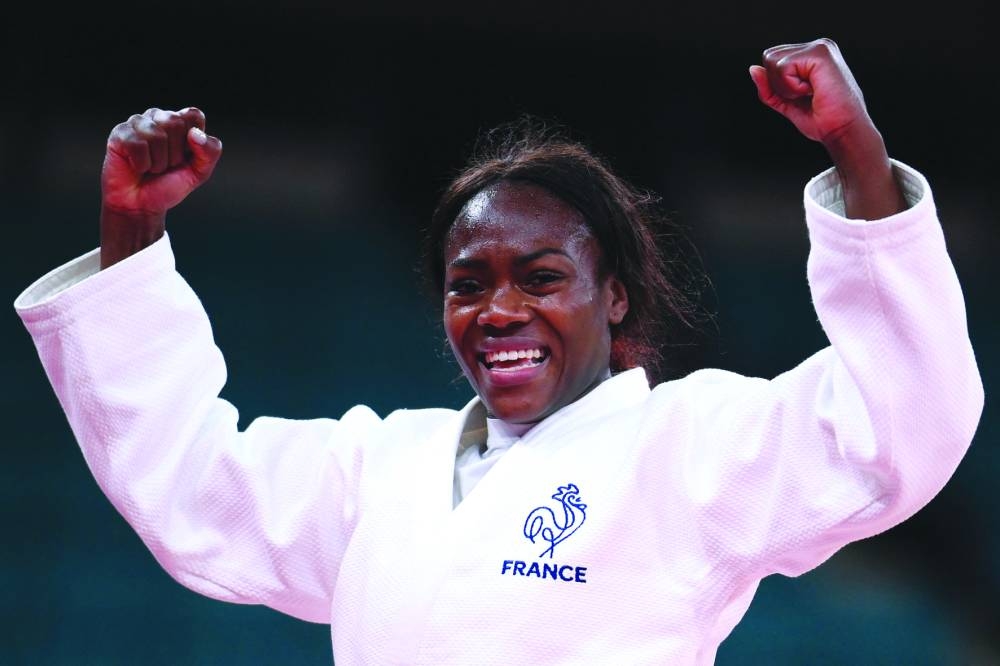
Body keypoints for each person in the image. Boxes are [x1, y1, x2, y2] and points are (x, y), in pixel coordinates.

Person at [14, 38, 983, 664]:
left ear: (615, 295)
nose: (498, 308)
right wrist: (130, 224)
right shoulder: (376, 465)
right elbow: (184, 484)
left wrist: (854, 150)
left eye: (541, 277)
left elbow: (894, 420)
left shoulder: (689, 443)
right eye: (467, 283)